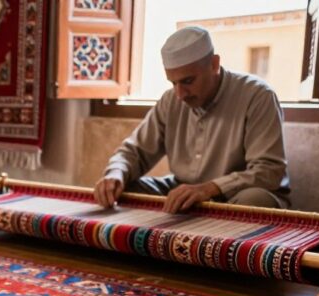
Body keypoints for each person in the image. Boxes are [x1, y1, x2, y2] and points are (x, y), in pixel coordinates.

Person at [93, 26, 290, 213]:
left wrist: (210, 188)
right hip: (187, 193)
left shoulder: (257, 96)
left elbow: (269, 171)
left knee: (254, 200)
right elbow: (133, 151)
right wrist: (115, 173)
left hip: (236, 196)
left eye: (188, 81)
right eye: (173, 83)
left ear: (214, 64)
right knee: (127, 191)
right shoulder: (171, 100)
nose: (180, 94)